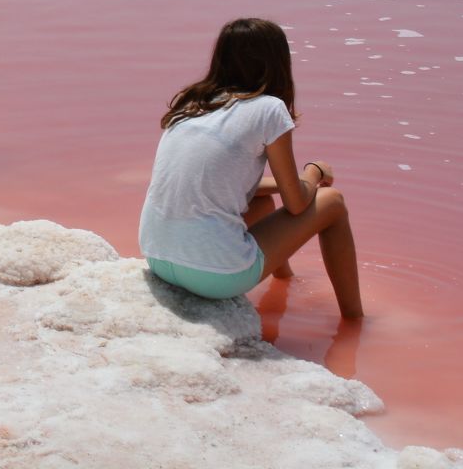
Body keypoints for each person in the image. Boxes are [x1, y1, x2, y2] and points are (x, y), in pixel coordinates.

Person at [139, 17, 363, 318]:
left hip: (158, 257)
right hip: (213, 276)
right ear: (278, 63)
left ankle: (284, 282)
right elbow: (297, 205)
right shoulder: (269, 108)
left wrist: (292, 181)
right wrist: (315, 172)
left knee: (263, 200)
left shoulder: (191, 105)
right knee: (332, 202)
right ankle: (355, 321)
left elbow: (219, 182)